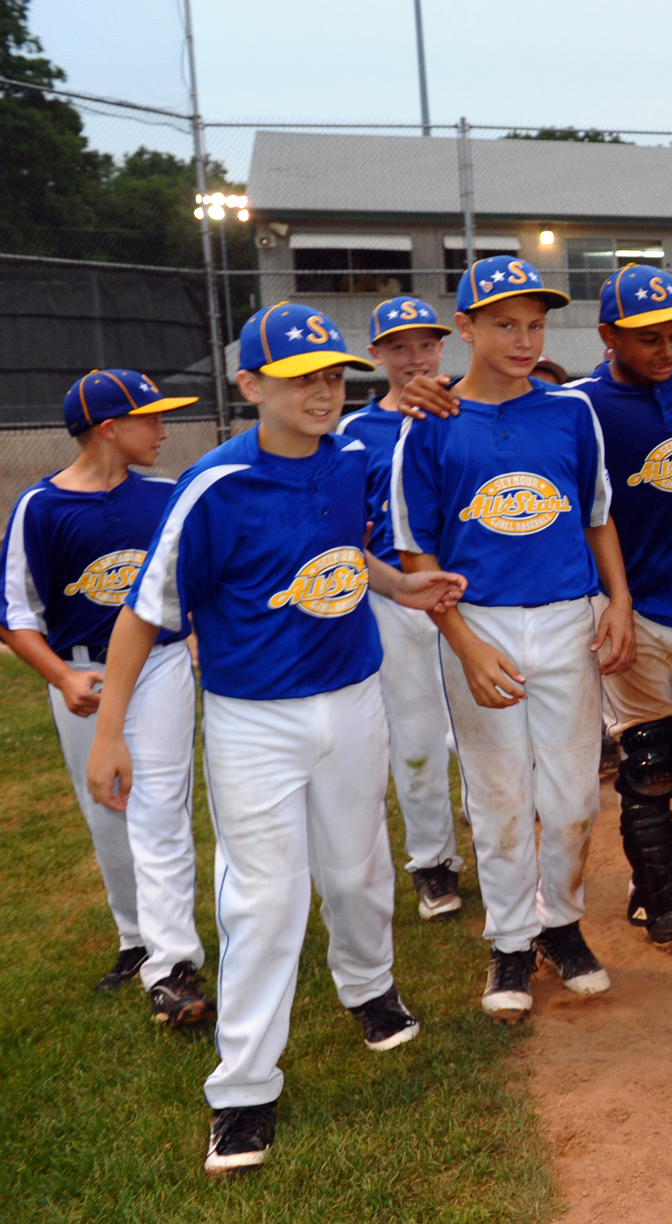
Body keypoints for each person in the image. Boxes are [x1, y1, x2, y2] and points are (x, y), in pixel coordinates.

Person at [91, 302, 467, 1176]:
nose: (323, 393)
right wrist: (111, 731)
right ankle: (244, 1088)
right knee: (265, 896)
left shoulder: (346, 460)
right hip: (254, 716)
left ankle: (370, 990)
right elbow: (143, 617)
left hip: (352, 697)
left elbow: (343, 552)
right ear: (250, 384)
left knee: (361, 866)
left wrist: (399, 588)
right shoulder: (217, 485)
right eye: (300, 380)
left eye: (333, 376)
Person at [392, 258, 632, 1021]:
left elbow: (596, 513)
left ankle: (561, 925)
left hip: (566, 614)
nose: (524, 339)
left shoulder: (568, 413)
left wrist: (617, 599)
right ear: (463, 329)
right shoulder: (430, 422)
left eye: (535, 324)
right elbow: (415, 549)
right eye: (504, 324)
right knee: (499, 798)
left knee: (571, 797)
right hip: (481, 619)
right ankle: (509, 942)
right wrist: (461, 640)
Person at [0, 371, 207, 1019]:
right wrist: (60, 677)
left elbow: (198, 581)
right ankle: (135, 938)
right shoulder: (42, 507)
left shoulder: (168, 493)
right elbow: (15, 612)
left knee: (159, 806)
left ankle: (173, 963)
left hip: (161, 663)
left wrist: (196, 638)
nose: (164, 430)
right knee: (109, 811)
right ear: (109, 428)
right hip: (83, 675)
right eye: (150, 418)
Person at [337, 296, 463, 921]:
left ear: (445, 347)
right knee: (415, 741)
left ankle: (500, 840)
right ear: (376, 356)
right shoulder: (357, 433)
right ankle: (434, 861)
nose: (415, 357)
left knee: (487, 732)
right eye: (399, 346)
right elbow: (345, 531)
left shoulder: (466, 407)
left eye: (426, 344)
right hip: (397, 601)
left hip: (467, 592)